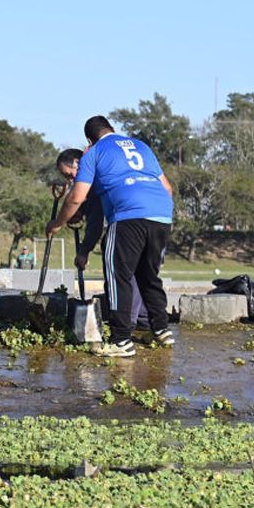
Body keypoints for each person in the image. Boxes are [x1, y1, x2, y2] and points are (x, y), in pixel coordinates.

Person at [47, 117, 174, 357]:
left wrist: (57, 223)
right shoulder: (141, 146)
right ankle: (162, 329)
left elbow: (76, 196)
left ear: (88, 139)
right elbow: (168, 188)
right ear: (112, 129)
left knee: (117, 277)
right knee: (150, 276)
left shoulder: (93, 153)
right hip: (162, 215)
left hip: (128, 217)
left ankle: (121, 341)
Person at [55, 148, 149, 329]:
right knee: (140, 275)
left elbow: (96, 222)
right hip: (152, 220)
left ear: (78, 162)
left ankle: (125, 326)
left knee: (122, 275)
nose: (72, 180)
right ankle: (144, 321)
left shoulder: (95, 179)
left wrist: (83, 251)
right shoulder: (111, 168)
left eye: (70, 174)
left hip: (127, 224)